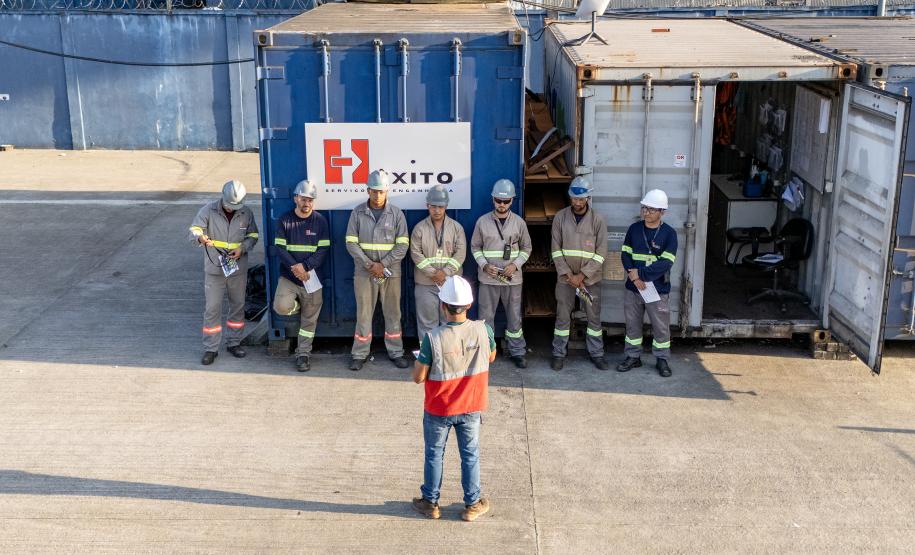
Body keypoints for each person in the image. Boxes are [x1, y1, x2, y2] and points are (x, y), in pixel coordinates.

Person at [411, 275, 496, 522]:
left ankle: (430, 503)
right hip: (471, 406)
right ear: (469, 305)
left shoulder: (432, 338)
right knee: (470, 455)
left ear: (442, 305)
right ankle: (472, 504)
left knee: (434, 454)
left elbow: (419, 377)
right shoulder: (484, 330)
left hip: (439, 408)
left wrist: (420, 360)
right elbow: (490, 357)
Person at [188, 180, 259, 365]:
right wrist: (200, 238)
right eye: (230, 205)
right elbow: (194, 229)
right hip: (214, 270)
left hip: (237, 268)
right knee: (212, 308)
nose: (232, 209)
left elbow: (253, 235)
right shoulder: (208, 211)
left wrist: (242, 248)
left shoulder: (246, 213)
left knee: (238, 306)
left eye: (236, 206)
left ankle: (234, 343)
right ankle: (211, 348)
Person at [345, 169, 410, 371]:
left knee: (393, 313)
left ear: (387, 191)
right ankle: (359, 354)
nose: (378, 195)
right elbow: (350, 242)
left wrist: (383, 265)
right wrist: (369, 265)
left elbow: (403, 244)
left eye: (382, 191)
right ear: (368, 191)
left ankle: (396, 352)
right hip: (365, 273)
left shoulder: (397, 214)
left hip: (391, 272)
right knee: (364, 314)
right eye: (374, 191)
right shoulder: (357, 212)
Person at [470, 179, 532, 369]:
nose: (502, 205)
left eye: (506, 201)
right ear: (493, 199)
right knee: (485, 317)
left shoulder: (519, 223)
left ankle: (517, 351)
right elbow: (475, 247)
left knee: (514, 317)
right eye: (498, 200)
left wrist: (515, 265)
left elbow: (527, 248)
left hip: (512, 279)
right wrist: (484, 265)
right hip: (488, 279)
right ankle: (486, 352)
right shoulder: (482, 222)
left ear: (512, 201)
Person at [618, 189, 678, 377]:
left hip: (657, 289)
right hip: (634, 287)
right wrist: (635, 278)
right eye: (644, 208)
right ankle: (633, 357)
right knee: (632, 324)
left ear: (662, 212)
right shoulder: (634, 229)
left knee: (660, 326)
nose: (646, 213)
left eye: (651, 210)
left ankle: (662, 359)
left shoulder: (669, 234)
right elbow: (625, 254)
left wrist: (641, 274)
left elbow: (666, 263)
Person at [550, 177, 608, 371]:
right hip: (565, 280)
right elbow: (556, 250)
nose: (577, 202)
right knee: (562, 317)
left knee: (593, 318)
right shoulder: (560, 217)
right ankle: (559, 353)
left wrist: (582, 276)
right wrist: (568, 275)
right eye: (574, 198)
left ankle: (597, 354)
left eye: (581, 199)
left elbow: (601, 253)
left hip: (590, 280)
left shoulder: (597, 220)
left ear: (588, 198)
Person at [271, 180, 330, 373]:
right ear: (296, 198)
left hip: (312, 278)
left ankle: (303, 354)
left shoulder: (320, 221)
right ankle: (297, 307)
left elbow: (322, 250)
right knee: (280, 307)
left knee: (309, 321)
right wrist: (295, 268)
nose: (307, 203)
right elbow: (280, 248)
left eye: (310, 200)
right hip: (289, 277)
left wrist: (305, 266)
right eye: (304, 199)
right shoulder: (285, 220)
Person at [410, 185, 466, 340]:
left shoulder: (456, 228)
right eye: (433, 206)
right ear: (427, 206)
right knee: (427, 324)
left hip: (450, 284)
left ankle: (447, 358)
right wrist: (433, 273)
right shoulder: (419, 229)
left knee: (449, 323)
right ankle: (427, 359)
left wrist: (445, 273)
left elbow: (461, 254)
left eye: (440, 207)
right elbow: (415, 254)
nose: (437, 210)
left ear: (446, 206)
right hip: (425, 284)